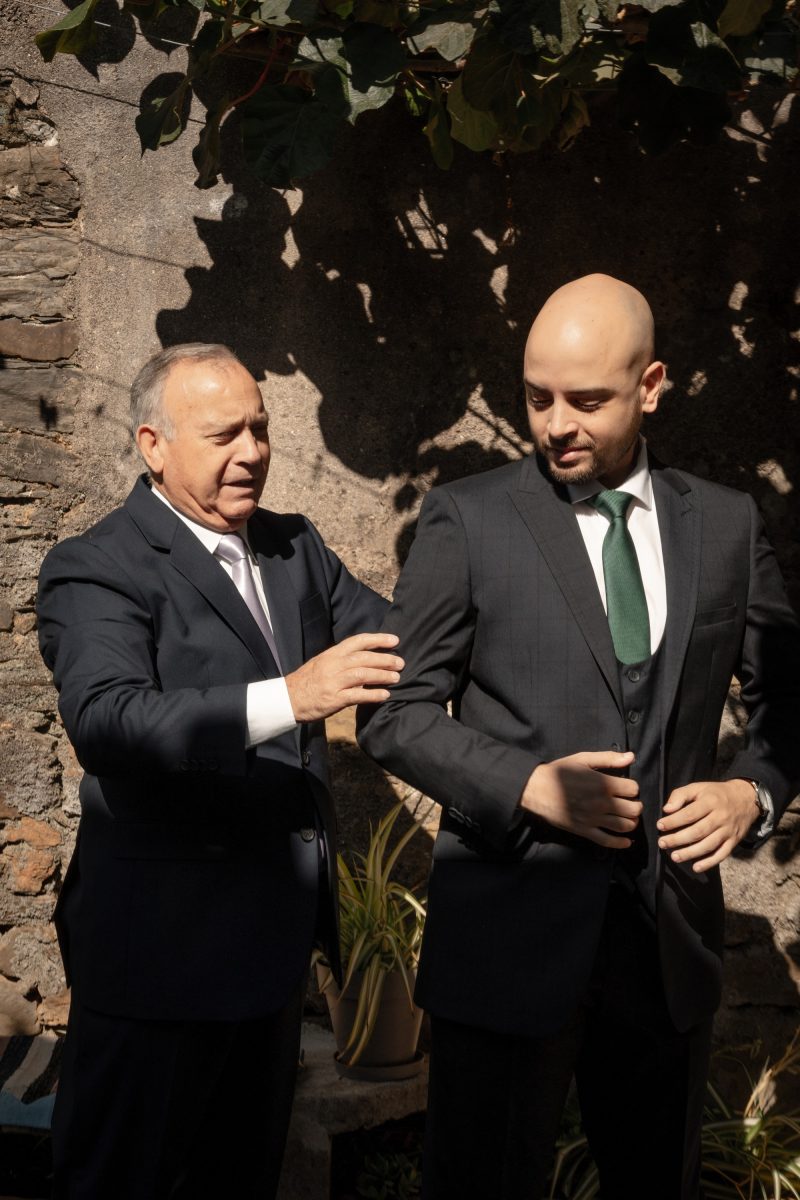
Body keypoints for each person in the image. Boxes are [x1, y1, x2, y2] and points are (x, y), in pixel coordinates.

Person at [358, 275, 800, 1200]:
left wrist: (750, 791)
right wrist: (525, 785)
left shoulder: (725, 524)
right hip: (505, 949)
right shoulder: (468, 519)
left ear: (651, 386)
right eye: (537, 397)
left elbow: (788, 699)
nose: (556, 424)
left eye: (587, 401)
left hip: (667, 955)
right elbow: (392, 715)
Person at [37, 343, 403, 1200]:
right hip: (157, 962)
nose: (251, 452)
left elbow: (400, 641)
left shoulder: (293, 546)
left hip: (270, 958)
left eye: (260, 429)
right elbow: (108, 722)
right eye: (223, 434)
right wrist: (292, 696)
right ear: (153, 445)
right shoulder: (98, 564)